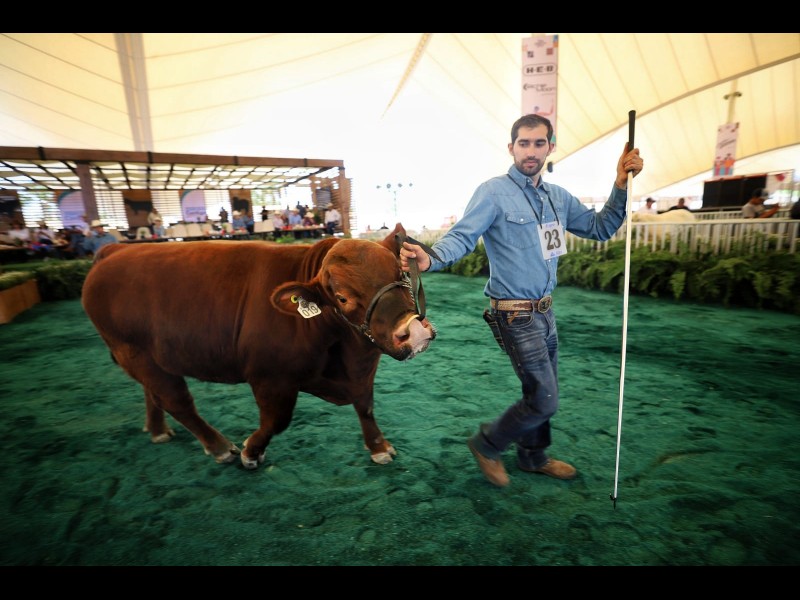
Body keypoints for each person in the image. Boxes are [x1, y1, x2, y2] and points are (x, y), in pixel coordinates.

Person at [398, 113, 644, 487]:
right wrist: (431, 258)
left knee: (541, 392)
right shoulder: (493, 192)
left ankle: (532, 457)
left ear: (550, 147)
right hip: (514, 315)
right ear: (511, 147)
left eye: (539, 143)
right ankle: (487, 444)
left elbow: (601, 227)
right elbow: (463, 236)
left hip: (546, 312)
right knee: (545, 399)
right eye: (524, 143)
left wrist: (620, 183)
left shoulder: (558, 197)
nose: (531, 151)